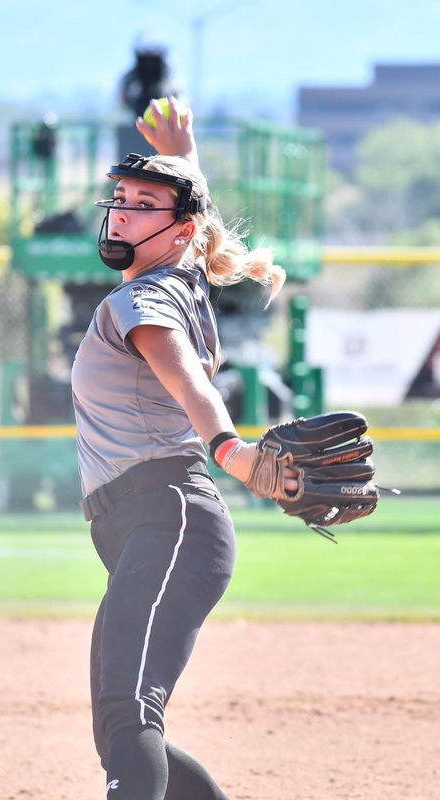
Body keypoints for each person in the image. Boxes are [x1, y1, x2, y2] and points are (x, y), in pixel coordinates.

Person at [71, 97, 293, 799]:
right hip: (148, 524)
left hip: (167, 517)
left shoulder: (143, 304)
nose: (124, 212)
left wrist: (228, 448)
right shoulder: (176, 277)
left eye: (144, 204)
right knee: (125, 727)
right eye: (121, 199)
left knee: (129, 714)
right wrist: (182, 162)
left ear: (176, 230)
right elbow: (193, 232)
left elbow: (190, 380)